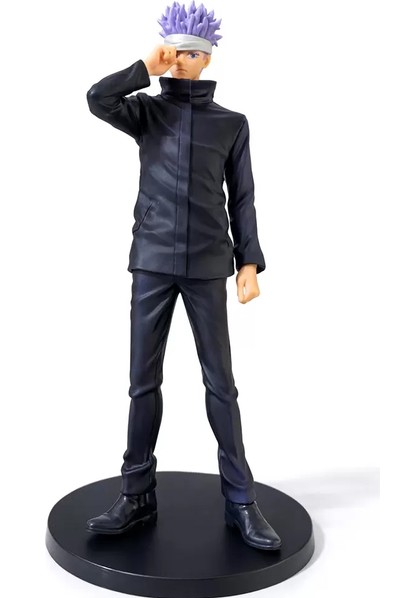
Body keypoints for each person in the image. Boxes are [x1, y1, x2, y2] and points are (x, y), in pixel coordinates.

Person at [85, 1, 281, 551]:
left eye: (190, 53)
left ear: (207, 58)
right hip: (151, 259)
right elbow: (97, 98)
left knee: (220, 383)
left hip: (207, 263)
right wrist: (143, 69)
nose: (179, 60)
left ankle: (241, 500)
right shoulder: (146, 112)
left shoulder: (231, 124)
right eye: (172, 52)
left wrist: (248, 262)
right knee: (141, 382)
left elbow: (243, 198)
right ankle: (135, 494)